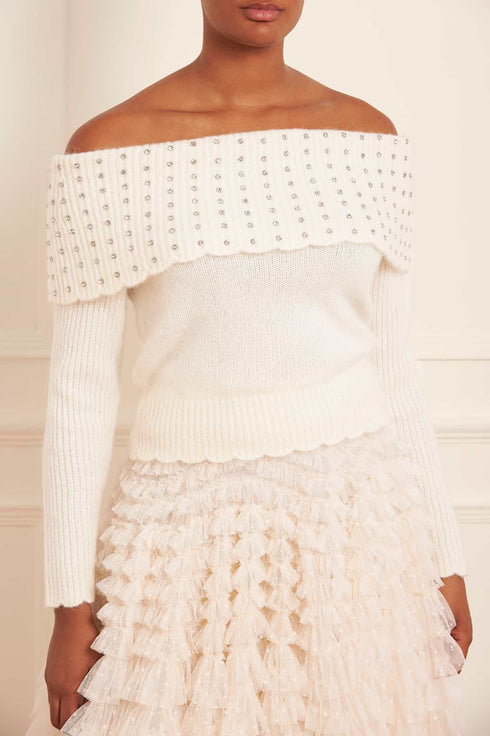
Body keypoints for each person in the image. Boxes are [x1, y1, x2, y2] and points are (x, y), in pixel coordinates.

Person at [25, 0, 473, 733]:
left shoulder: (368, 138)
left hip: (358, 534)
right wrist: (69, 608)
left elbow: (394, 370)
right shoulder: (108, 151)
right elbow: (79, 394)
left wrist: (445, 560)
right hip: (181, 539)